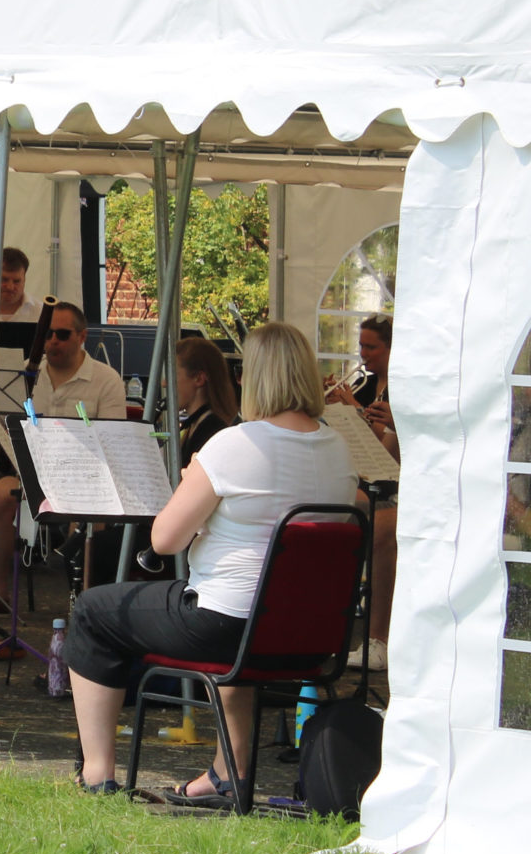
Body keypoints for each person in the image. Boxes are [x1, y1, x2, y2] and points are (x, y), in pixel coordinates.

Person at [66, 322, 357, 800]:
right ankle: (228, 772)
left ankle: (96, 772)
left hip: (228, 629)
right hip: (311, 640)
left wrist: (191, 486)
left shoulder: (234, 444)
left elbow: (163, 540)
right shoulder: (339, 450)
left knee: (94, 612)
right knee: (238, 599)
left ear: (257, 378)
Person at [0, 302, 127, 598]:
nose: (52, 341)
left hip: (83, 478)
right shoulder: (23, 375)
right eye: (47, 334)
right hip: (33, 474)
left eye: (62, 334)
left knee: (89, 509)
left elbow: (115, 440)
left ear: (81, 336)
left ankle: (82, 597)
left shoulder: (105, 379)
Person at [326, 315, 398, 650]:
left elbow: (385, 457)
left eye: (371, 347)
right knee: (328, 496)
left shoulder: (401, 393)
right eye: (361, 346)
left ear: (392, 349)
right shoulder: (368, 387)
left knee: (341, 505)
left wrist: (355, 411)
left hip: (392, 484)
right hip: (371, 476)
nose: (363, 354)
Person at [174, 336, 240, 464]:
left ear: (199, 379)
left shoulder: (212, 431)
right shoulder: (197, 424)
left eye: (174, 376)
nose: (165, 383)